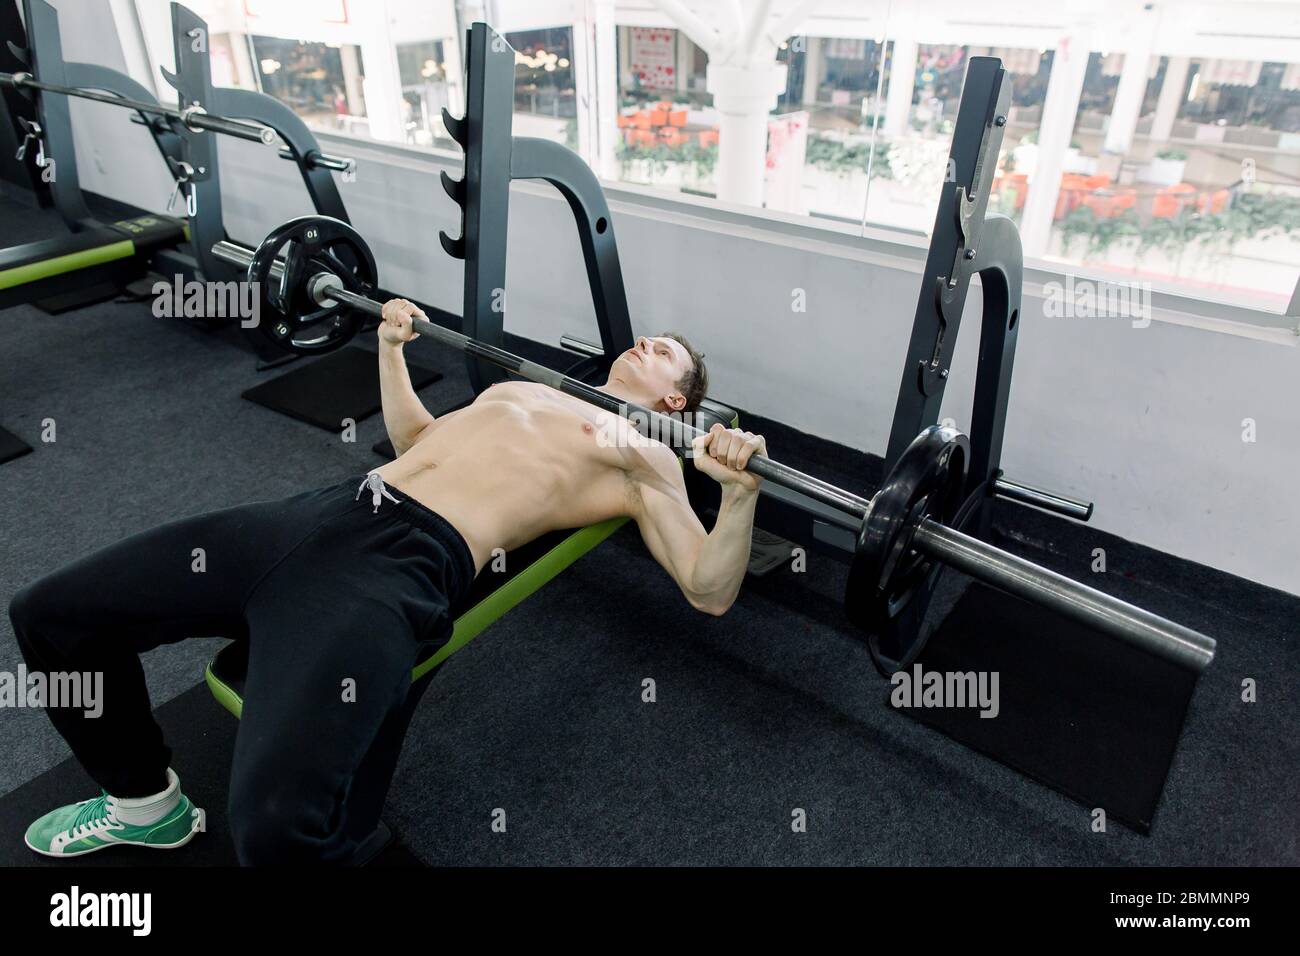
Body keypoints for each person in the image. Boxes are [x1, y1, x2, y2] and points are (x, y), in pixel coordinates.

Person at [9, 298, 766, 864]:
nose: (644, 341)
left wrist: (738, 495)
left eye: (662, 350)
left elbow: (709, 588)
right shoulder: (525, 391)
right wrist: (389, 349)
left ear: (677, 399)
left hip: (397, 564)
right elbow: (415, 438)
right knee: (50, 613)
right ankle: (145, 803)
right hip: (319, 512)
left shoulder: (644, 454)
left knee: (275, 828)